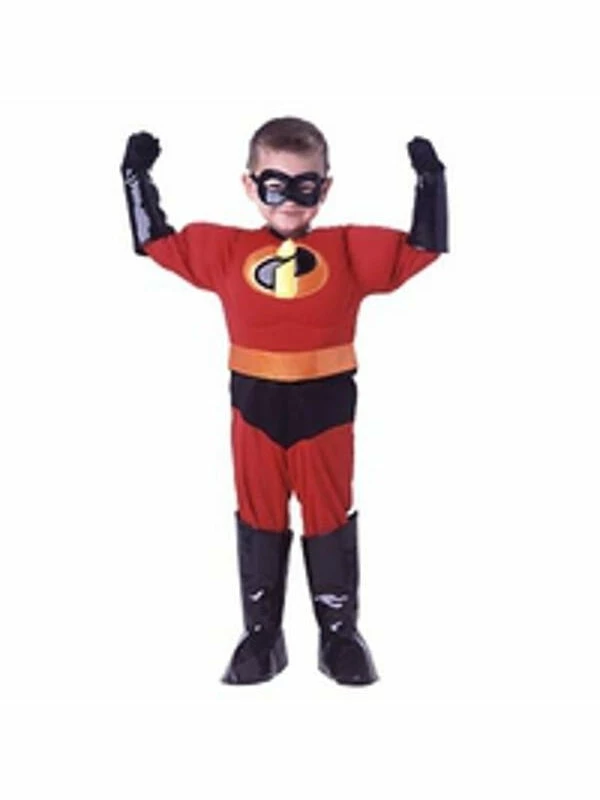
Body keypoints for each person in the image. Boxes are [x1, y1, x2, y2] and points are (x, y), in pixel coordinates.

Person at [120, 117, 448, 686]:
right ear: (250, 186)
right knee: (258, 511)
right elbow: (157, 243)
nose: (290, 201)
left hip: (326, 407)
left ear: (325, 188)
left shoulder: (347, 248)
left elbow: (421, 249)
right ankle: (261, 634)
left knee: (328, 512)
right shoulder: (227, 249)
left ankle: (339, 634)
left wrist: (431, 182)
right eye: (275, 185)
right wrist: (135, 179)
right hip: (255, 405)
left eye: (305, 185)